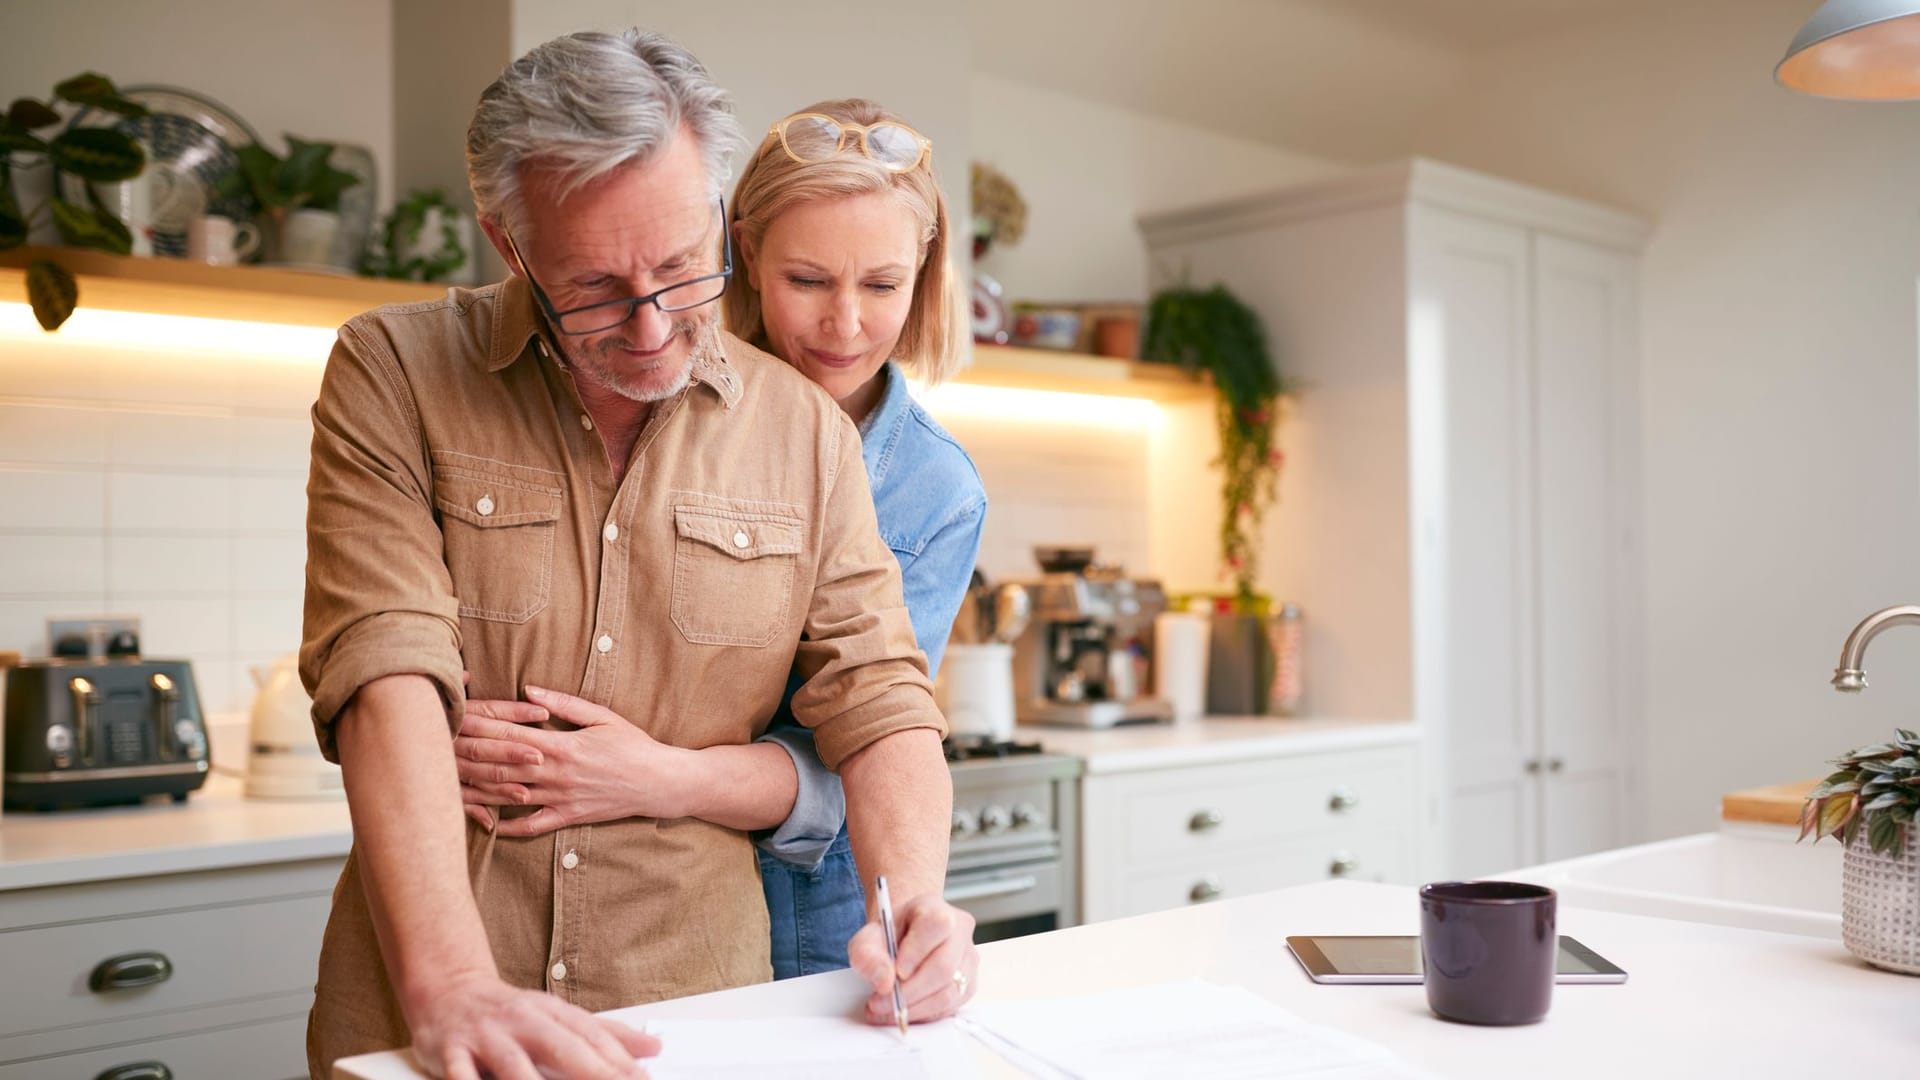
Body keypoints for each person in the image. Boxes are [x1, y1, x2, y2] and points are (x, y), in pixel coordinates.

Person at [299, 29, 975, 1080]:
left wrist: (918, 908)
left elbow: (879, 695)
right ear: (508, 242)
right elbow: (383, 662)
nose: (655, 328)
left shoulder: (805, 429)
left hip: (697, 1016)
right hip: (426, 1014)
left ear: (719, 224)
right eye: (598, 289)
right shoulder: (394, 370)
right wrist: (452, 984)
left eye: (678, 269)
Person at [455, 97, 986, 983]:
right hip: (604, 897)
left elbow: (856, 743)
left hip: (816, 900)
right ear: (735, 251)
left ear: (925, 275)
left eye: (882, 285)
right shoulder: (640, 381)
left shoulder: (935, 488)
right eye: (808, 281)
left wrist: (653, 773)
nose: (844, 324)